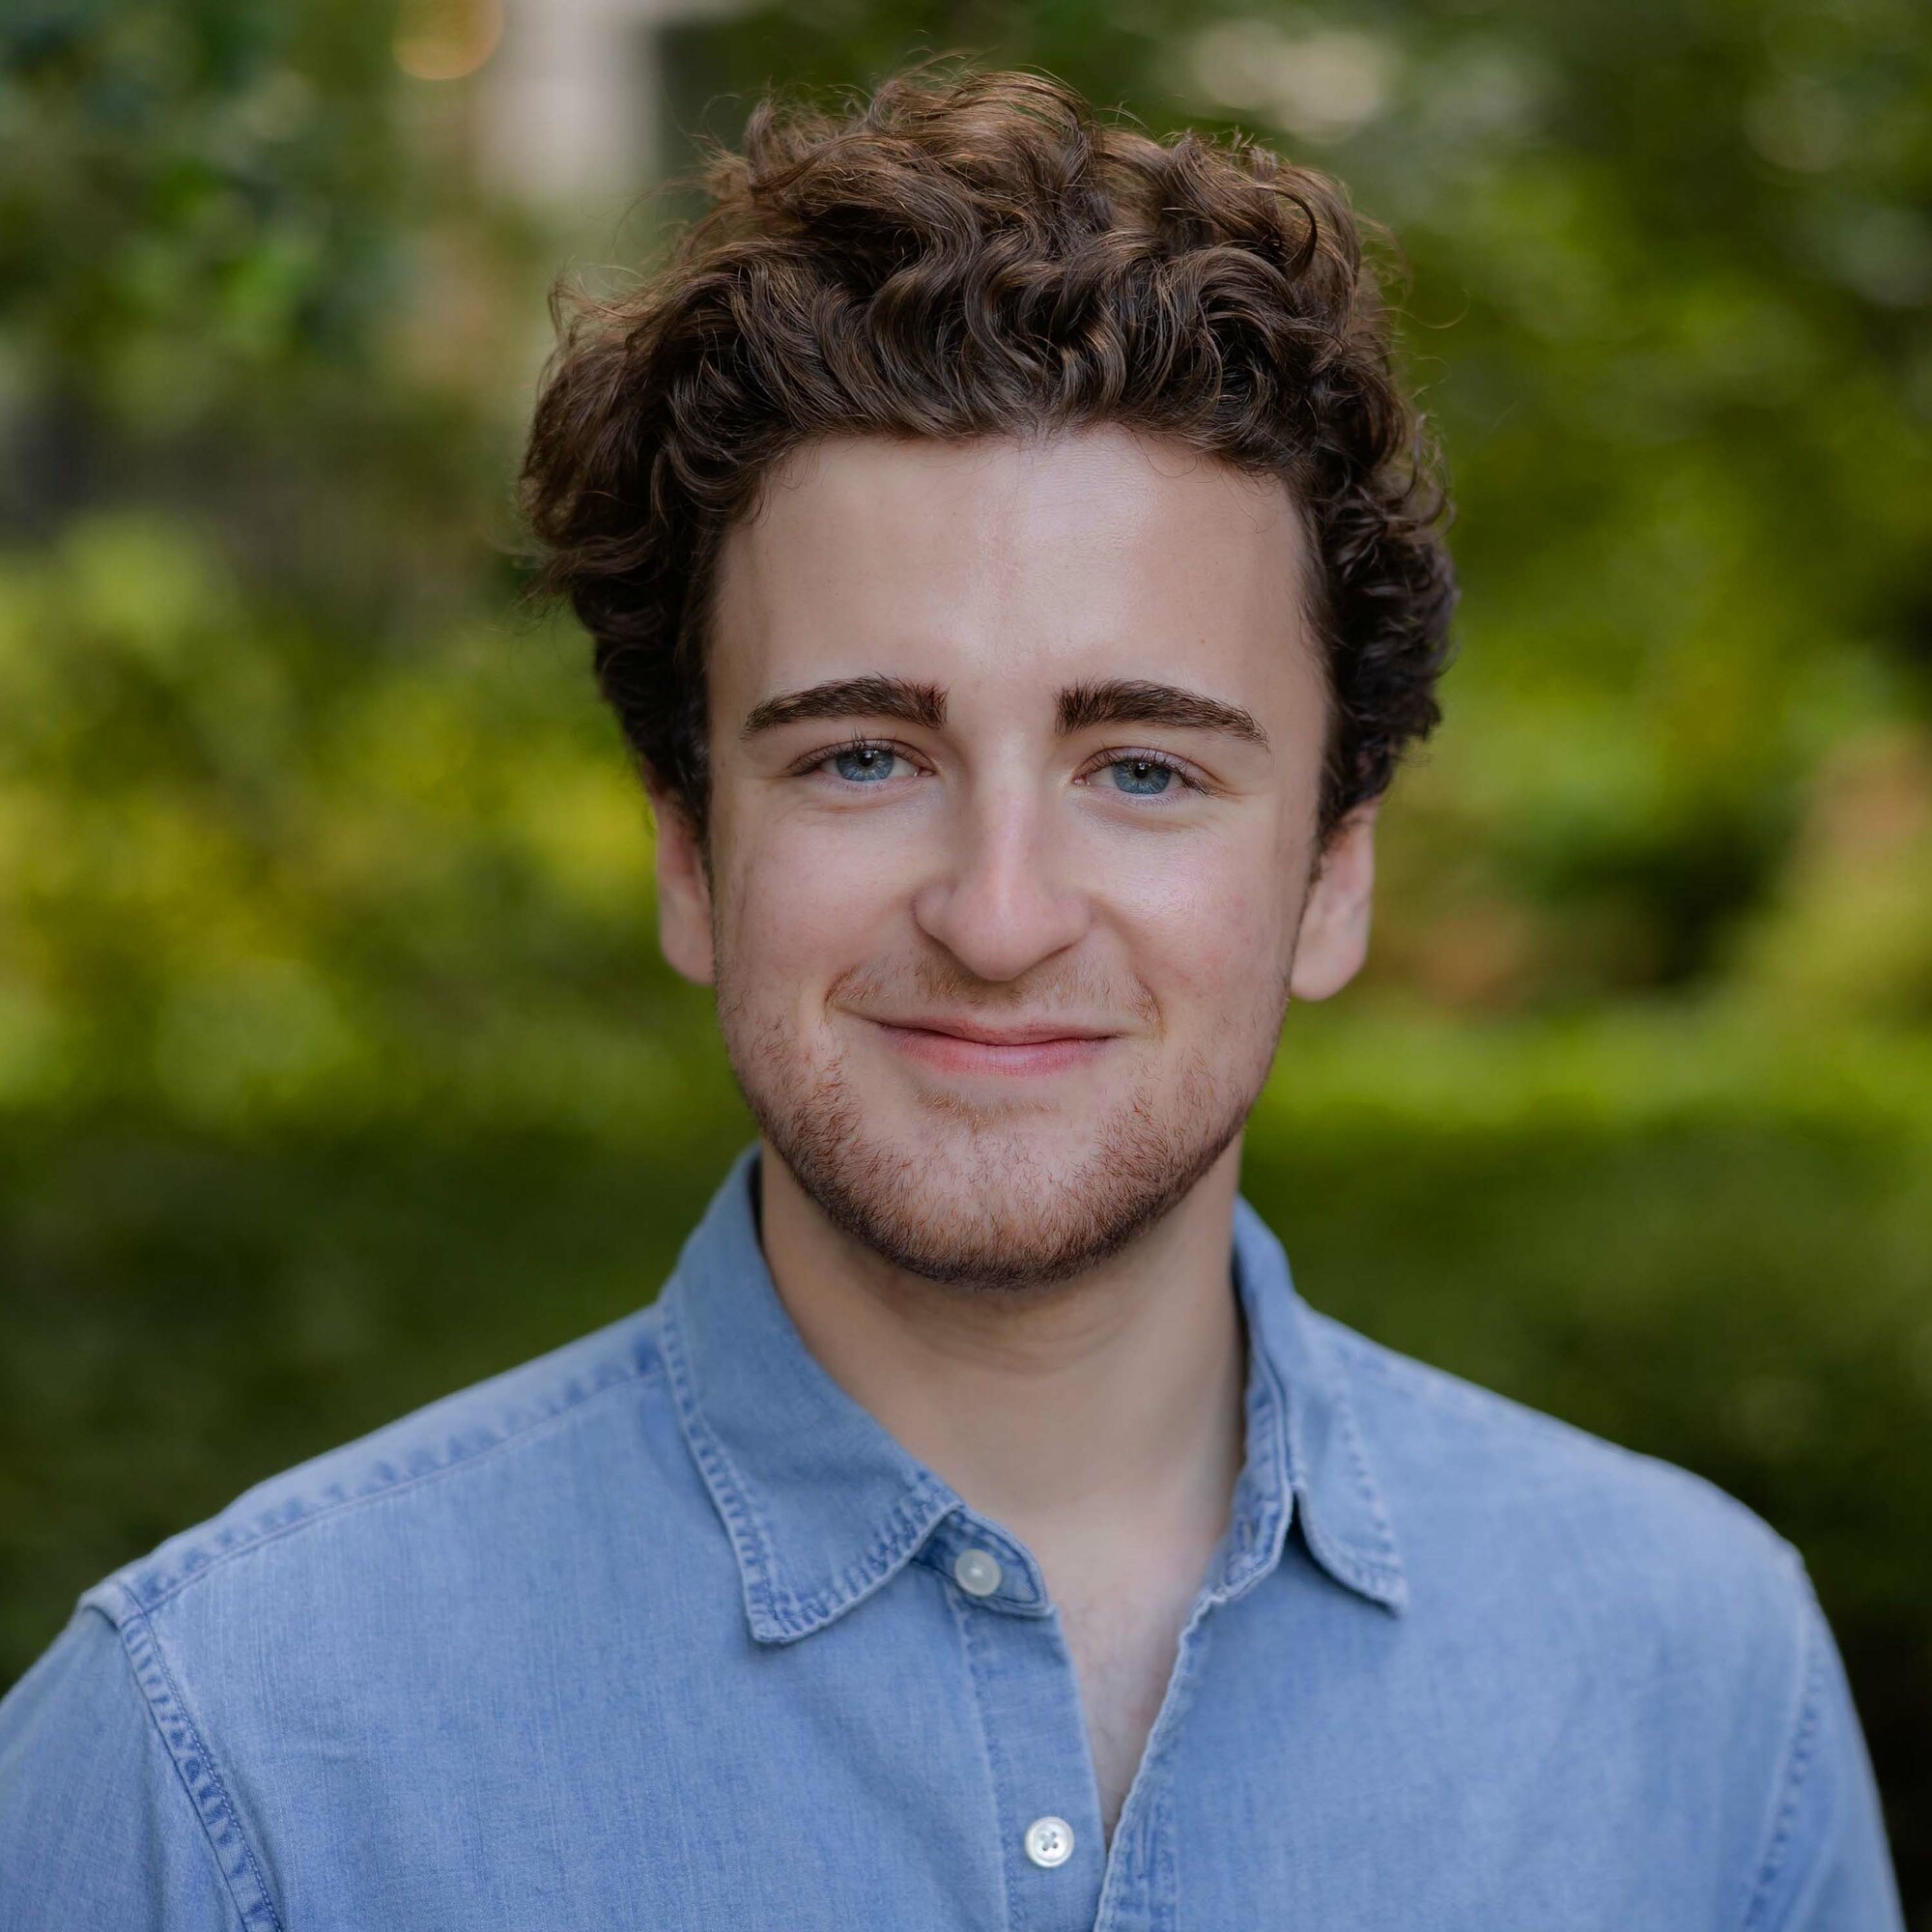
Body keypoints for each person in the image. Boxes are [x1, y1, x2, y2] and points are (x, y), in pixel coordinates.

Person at [0, 62, 1903, 1931]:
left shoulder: (1700, 1690)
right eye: (861, 757)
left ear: (1333, 872)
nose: (997, 916)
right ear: (688, 852)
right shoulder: (223, 1760)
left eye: (1144, 765)